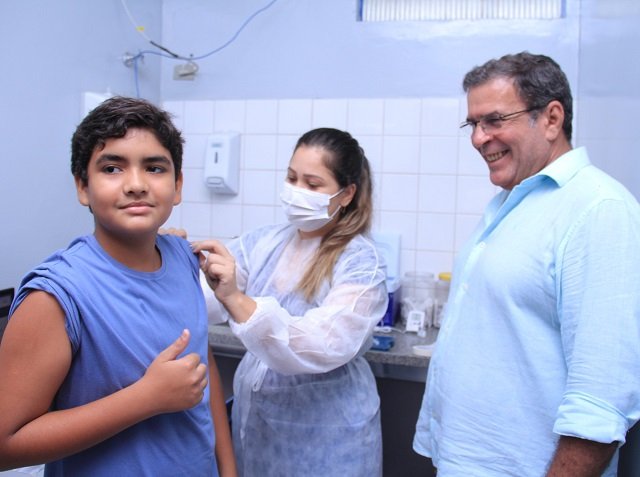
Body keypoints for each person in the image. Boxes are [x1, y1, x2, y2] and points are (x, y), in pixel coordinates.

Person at [413, 51, 640, 476]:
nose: (478, 138)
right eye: (473, 124)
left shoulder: (599, 210)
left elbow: (601, 398)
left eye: (494, 120)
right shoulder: (510, 203)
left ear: (551, 119)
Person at [0, 97, 236, 476]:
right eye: (112, 168)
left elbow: (200, 370)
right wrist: (145, 399)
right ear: (83, 187)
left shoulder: (183, 259)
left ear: (177, 185)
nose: (136, 185)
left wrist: (228, 470)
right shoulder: (56, 295)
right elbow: (6, 445)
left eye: (154, 168)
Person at [193, 127, 388, 476]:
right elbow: (204, 301)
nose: (297, 191)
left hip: (328, 441)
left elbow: (320, 344)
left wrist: (235, 298)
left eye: (312, 184)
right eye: (291, 178)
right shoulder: (264, 243)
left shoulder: (361, 263)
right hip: (257, 433)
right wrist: (164, 263)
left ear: (347, 194)